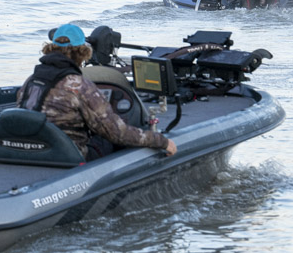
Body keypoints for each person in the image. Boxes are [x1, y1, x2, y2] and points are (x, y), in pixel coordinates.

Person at [17, 23, 176, 161]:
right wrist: (160, 141)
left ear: (50, 49)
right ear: (82, 53)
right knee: (107, 139)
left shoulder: (30, 81)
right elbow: (117, 133)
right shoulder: (79, 86)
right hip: (68, 155)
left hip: (33, 149)